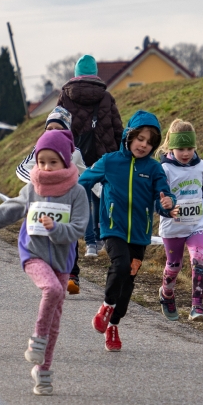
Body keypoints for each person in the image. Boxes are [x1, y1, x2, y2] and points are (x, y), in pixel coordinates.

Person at [0, 130, 89, 395]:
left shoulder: (77, 192)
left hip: (62, 260)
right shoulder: (32, 188)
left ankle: (43, 371)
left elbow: (78, 229)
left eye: (52, 162)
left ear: (66, 162)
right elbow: (8, 212)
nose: (45, 167)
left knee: (56, 318)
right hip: (32, 253)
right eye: (41, 161)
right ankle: (36, 340)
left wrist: (55, 229)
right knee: (52, 290)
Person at [79, 110, 176, 352]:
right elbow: (83, 182)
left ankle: (113, 324)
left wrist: (167, 204)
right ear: (129, 136)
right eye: (140, 138)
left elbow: (163, 195)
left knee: (129, 280)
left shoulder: (154, 169)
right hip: (113, 228)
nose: (143, 145)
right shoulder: (110, 161)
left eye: (149, 142)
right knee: (120, 265)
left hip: (140, 234)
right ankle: (105, 306)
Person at [15, 107, 88, 294]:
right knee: (44, 239)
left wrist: (98, 189)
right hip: (42, 201)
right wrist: (36, 182)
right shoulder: (40, 148)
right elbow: (22, 168)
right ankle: (48, 272)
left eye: (58, 128)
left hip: (66, 202)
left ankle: (73, 274)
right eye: (49, 128)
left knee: (69, 238)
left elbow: (86, 174)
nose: (52, 132)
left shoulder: (75, 152)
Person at [58, 54, 124, 258]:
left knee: (82, 196)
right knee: (101, 196)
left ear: (76, 74)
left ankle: (89, 246)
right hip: (103, 154)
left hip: (76, 153)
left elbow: (58, 124)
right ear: (95, 73)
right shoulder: (105, 97)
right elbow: (117, 127)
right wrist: (121, 152)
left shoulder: (66, 95)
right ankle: (100, 237)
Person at [157, 119, 203, 322]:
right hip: (174, 226)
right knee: (174, 265)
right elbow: (158, 198)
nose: (186, 153)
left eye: (190, 148)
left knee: (199, 260)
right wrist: (165, 209)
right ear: (171, 146)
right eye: (181, 148)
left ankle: (197, 307)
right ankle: (167, 293)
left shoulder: (200, 165)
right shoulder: (165, 169)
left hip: (196, 223)